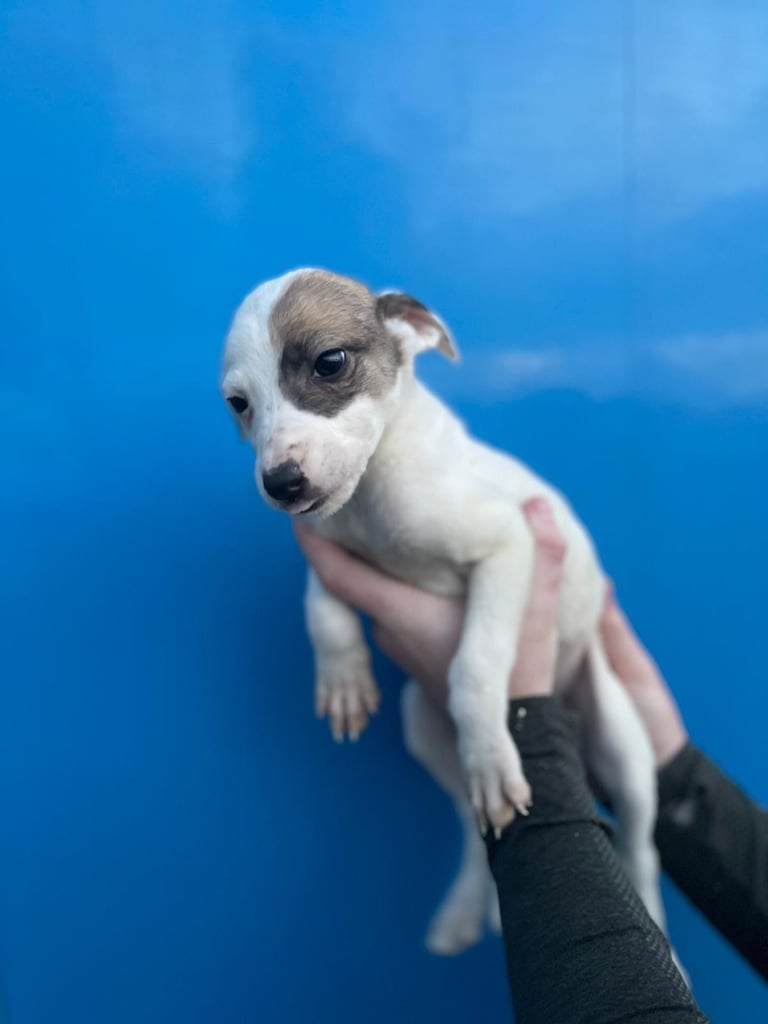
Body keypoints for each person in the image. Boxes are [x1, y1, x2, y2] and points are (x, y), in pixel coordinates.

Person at [294, 499, 767, 1020]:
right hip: (553, 719)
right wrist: (674, 773)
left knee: (631, 831)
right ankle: (482, 880)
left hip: (534, 695)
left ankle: (643, 908)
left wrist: (520, 724)